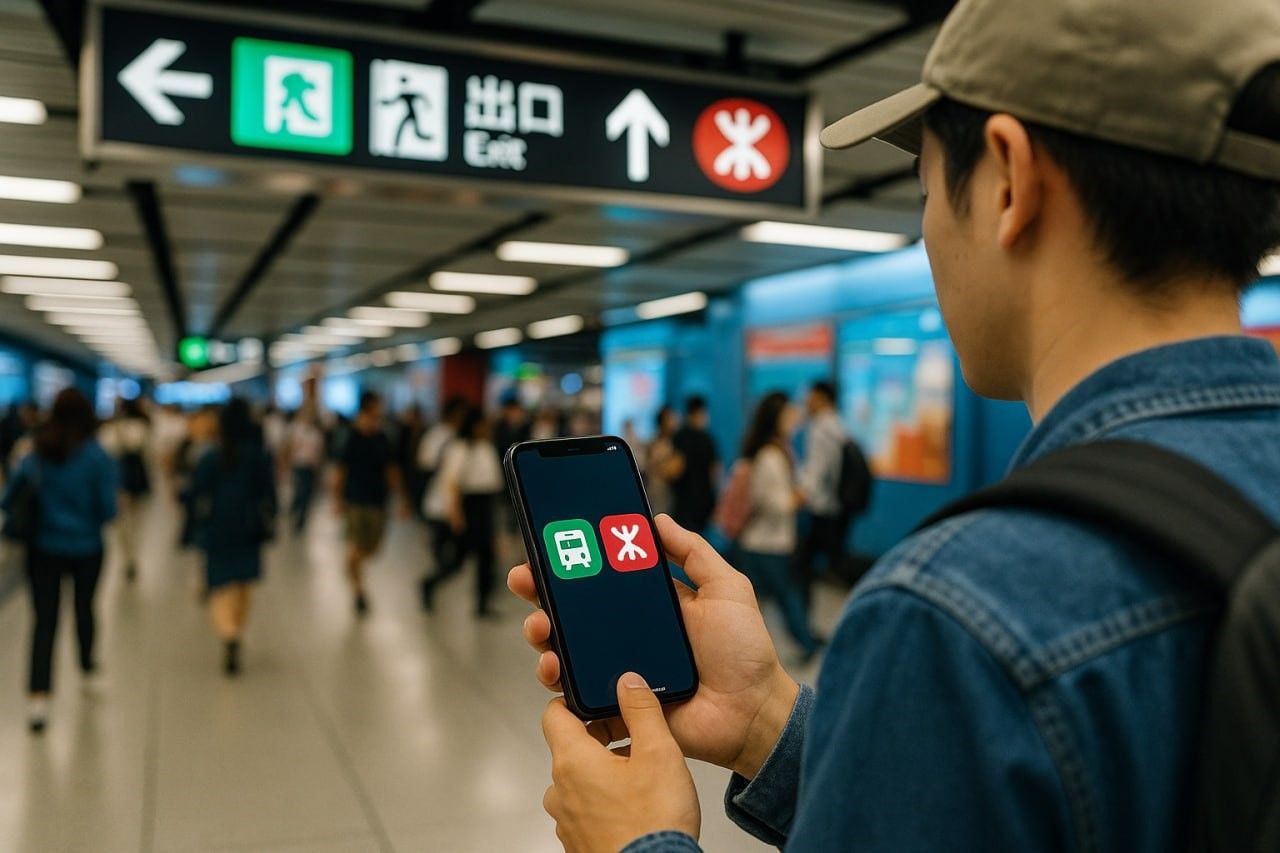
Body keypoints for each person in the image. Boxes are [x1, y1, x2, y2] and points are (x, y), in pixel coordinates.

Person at [509, 1, 1280, 849]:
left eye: (926, 191)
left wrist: (637, 841)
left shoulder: (961, 614)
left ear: (1010, 179)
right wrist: (768, 719)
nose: (928, 235)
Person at [2, 389, 116, 733]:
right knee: (85, 608)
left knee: (44, 621)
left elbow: (10, 498)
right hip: (86, 548)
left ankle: (39, 699)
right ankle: (87, 671)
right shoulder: (97, 456)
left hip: (43, 549)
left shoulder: (36, 450)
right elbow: (107, 509)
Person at [189, 399, 276, 677]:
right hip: (248, 527)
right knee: (243, 584)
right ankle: (236, 629)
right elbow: (269, 492)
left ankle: (228, 633)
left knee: (220, 584)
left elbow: (195, 494)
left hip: (218, 527)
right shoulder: (258, 456)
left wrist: (192, 526)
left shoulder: (211, 457)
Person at [735, 392, 818, 660]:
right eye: (788, 414)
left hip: (765, 543)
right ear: (776, 420)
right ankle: (806, 643)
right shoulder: (771, 456)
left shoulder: (779, 450)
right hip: (765, 544)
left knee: (763, 600)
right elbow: (774, 502)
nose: (795, 418)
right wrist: (799, 496)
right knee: (784, 597)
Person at [420, 407, 504, 617]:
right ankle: (429, 583)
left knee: (487, 559)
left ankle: (482, 604)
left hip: (485, 505)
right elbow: (452, 484)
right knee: (457, 561)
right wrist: (456, 517)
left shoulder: (486, 447)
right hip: (469, 506)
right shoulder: (460, 448)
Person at [332, 391, 406, 616]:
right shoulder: (349, 438)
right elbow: (339, 472)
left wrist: (401, 497)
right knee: (356, 547)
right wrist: (336, 500)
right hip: (355, 501)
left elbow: (391, 469)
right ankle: (358, 590)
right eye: (375, 412)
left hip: (378, 502)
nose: (378, 417)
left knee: (373, 549)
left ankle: (352, 564)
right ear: (364, 412)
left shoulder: (382, 438)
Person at [794, 381, 861, 594]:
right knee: (832, 554)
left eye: (810, 397)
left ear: (822, 398)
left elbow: (818, 467)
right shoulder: (839, 424)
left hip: (822, 505)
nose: (807, 402)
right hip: (838, 503)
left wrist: (801, 495)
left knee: (805, 561)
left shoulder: (820, 427)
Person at [417, 396, 467, 608]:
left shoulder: (456, 437)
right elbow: (425, 464)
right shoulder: (445, 437)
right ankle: (429, 584)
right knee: (444, 557)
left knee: (453, 560)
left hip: (447, 504)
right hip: (439, 505)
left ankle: (430, 583)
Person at [99, 397, 151, 582]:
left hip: (132, 480)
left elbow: (137, 446)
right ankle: (129, 556)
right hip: (120, 481)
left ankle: (132, 554)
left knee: (133, 522)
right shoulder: (110, 429)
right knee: (123, 523)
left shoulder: (136, 426)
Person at [669, 396, 720, 534]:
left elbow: (675, 469)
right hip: (704, 501)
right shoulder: (708, 438)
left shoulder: (680, 436)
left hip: (684, 502)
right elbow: (715, 471)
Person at [284, 406, 325, 534]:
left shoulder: (317, 433)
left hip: (310, 467)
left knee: (307, 494)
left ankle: (301, 521)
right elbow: (289, 448)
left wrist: (319, 470)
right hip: (299, 465)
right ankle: (295, 511)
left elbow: (319, 452)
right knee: (301, 491)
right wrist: (287, 465)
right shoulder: (297, 429)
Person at [643, 406, 679, 516]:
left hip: (669, 492)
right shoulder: (654, 443)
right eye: (670, 419)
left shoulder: (675, 442)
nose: (674, 422)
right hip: (655, 490)